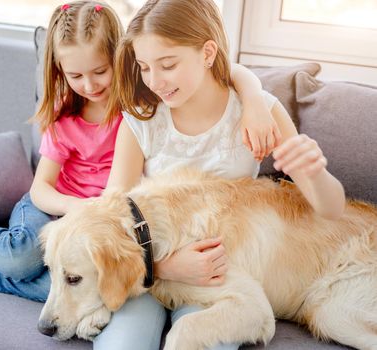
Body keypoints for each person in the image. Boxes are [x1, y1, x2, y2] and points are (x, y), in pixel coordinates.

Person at [0, 0, 285, 345]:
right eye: (75, 76)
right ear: (60, 74)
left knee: (77, 282)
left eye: (99, 72)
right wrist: (85, 208)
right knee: (26, 255)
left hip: (106, 228)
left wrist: (252, 96)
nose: (89, 85)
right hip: (67, 211)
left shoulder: (141, 100)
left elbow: (214, 67)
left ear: (119, 60)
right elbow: (42, 189)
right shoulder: (66, 118)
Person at [96, 0, 346, 349]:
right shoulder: (142, 121)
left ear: (207, 52)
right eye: (144, 67)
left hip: (220, 277)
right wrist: (164, 267)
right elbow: (109, 217)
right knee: (124, 344)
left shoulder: (257, 112)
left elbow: (332, 210)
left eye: (167, 65)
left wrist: (313, 172)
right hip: (152, 272)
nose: (155, 81)